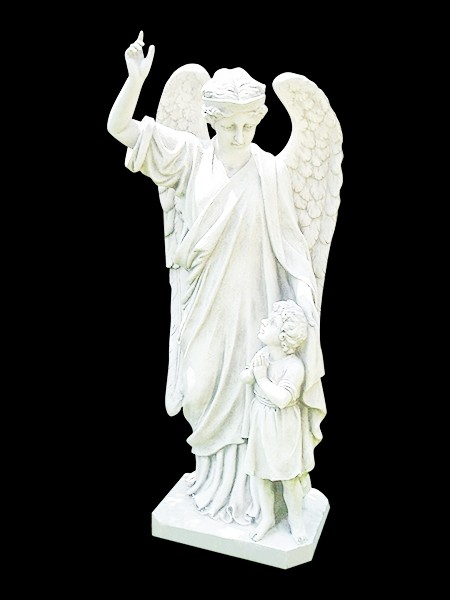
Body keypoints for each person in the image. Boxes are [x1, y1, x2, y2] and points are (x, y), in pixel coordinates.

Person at [107, 31, 326, 524]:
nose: (239, 134)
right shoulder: (188, 156)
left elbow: (292, 246)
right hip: (204, 300)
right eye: (229, 125)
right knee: (201, 385)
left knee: (252, 397)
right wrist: (135, 79)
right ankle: (210, 480)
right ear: (212, 120)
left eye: (248, 124)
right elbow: (119, 127)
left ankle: (249, 496)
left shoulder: (270, 172)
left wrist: (305, 295)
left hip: (255, 302)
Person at [240, 300, 309, 544]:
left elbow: (282, 399)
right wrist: (250, 374)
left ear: (284, 336)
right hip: (261, 420)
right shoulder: (263, 355)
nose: (263, 322)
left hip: (283, 426)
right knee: (260, 474)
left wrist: (261, 378)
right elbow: (246, 376)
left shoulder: (294, 366)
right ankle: (267, 518)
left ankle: (296, 521)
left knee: (289, 477)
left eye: (271, 322)